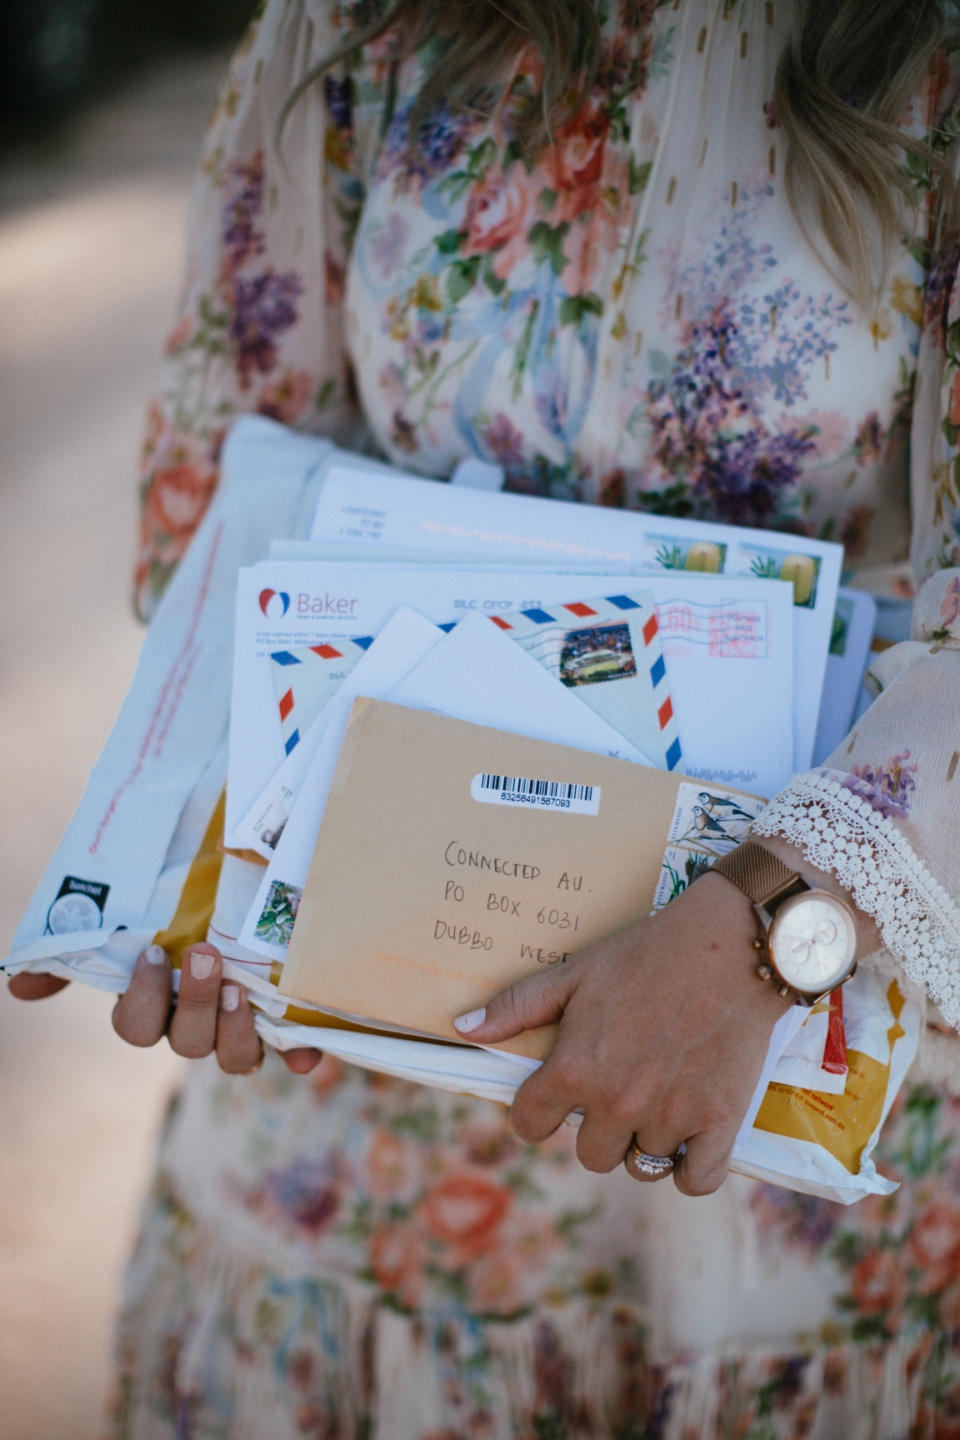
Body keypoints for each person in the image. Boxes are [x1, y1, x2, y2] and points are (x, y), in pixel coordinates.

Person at [12, 0, 960, 1432]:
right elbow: (240, 471)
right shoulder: (355, 23)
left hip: (766, 1110)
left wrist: (778, 931)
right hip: (357, 1098)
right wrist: (194, 871)